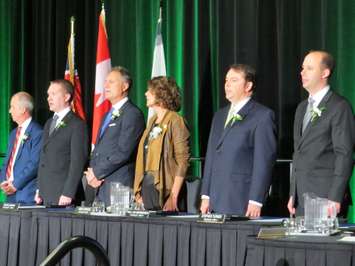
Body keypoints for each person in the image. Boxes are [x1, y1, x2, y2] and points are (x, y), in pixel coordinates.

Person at [200, 64, 277, 217]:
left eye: (234, 80)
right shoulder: (219, 116)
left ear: (248, 85)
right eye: (226, 80)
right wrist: (206, 195)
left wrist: (256, 200)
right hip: (215, 198)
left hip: (241, 198)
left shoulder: (262, 116)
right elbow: (211, 156)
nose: (227, 85)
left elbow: (264, 161)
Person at [288, 51, 355, 216]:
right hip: (301, 198)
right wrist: (292, 192)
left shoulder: (339, 106)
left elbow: (344, 154)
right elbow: (298, 152)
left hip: (326, 199)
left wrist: (335, 196)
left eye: (309, 68)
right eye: (302, 68)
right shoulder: (302, 108)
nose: (302, 72)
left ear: (325, 73)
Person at [85, 66, 145, 206]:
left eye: (111, 82)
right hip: (100, 186)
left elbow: (123, 152)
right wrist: (93, 174)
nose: (105, 86)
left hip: (119, 187)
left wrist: (97, 172)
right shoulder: (107, 114)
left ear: (125, 86)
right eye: (105, 81)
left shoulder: (132, 114)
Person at [134, 76, 190, 211]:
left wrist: (173, 196)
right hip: (149, 186)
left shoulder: (176, 120)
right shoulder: (152, 120)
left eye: (150, 91)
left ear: (161, 94)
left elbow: (183, 161)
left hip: (167, 189)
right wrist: (139, 191)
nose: (145, 94)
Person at [36, 79, 89, 206]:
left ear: (66, 97)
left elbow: (78, 162)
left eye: (53, 94)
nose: (49, 98)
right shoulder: (49, 123)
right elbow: (44, 158)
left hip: (63, 195)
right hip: (45, 193)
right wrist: (39, 189)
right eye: (48, 94)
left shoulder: (77, 124)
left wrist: (68, 193)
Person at [0, 92, 42, 204]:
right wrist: (4, 182)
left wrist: (15, 184)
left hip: (26, 194)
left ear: (23, 109)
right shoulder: (13, 133)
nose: (9, 111)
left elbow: (34, 164)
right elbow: (7, 162)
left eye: (12, 107)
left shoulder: (37, 132)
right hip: (10, 194)